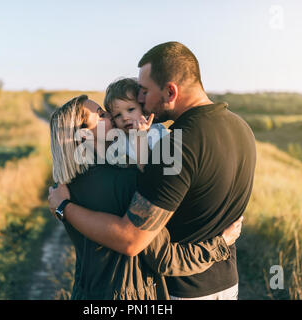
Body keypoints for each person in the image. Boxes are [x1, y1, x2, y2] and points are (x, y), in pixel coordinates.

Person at [49, 41, 256, 300]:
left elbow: (136, 242)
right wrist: (220, 245)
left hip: (184, 288)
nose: (141, 100)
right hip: (225, 281)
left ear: (170, 91)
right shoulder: (242, 129)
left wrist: (63, 208)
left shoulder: (172, 146)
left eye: (144, 92)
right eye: (105, 114)